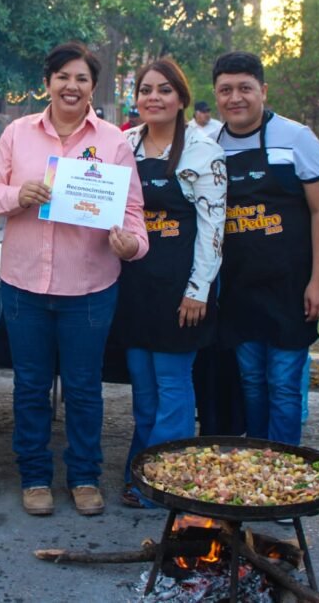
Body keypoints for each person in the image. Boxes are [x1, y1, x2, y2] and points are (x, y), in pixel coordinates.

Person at [0, 41, 148, 517]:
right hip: (24, 286)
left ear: (93, 87)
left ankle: (84, 476)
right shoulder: (17, 133)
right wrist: (18, 195)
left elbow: (133, 213)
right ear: (48, 82)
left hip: (89, 289)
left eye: (81, 79)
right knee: (30, 386)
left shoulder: (114, 142)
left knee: (84, 388)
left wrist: (132, 245)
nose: (71, 86)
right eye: (63, 77)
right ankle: (34, 476)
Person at [112, 58, 225, 509]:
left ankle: (164, 482)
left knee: (173, 387)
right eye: (145, 90)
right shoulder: (123, 144)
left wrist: (199, 290)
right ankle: (141, 471)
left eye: (164, 90)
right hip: (134, 286)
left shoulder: (203, 151)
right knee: (143, 392)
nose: (153, 97)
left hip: (181, 289)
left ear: (181, 98)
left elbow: (214, 228)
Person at [211, 52, 319, 447]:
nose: (235, 98)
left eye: (245, 88)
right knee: (251, 381)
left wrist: (317, 281)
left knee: (283, 385)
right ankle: (257, 461)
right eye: (226, 90)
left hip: (290, 287)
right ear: (216, 95)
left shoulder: (296, 138)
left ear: (263, 90)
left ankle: (283, 463)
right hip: (238, 290)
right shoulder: (210, 145)